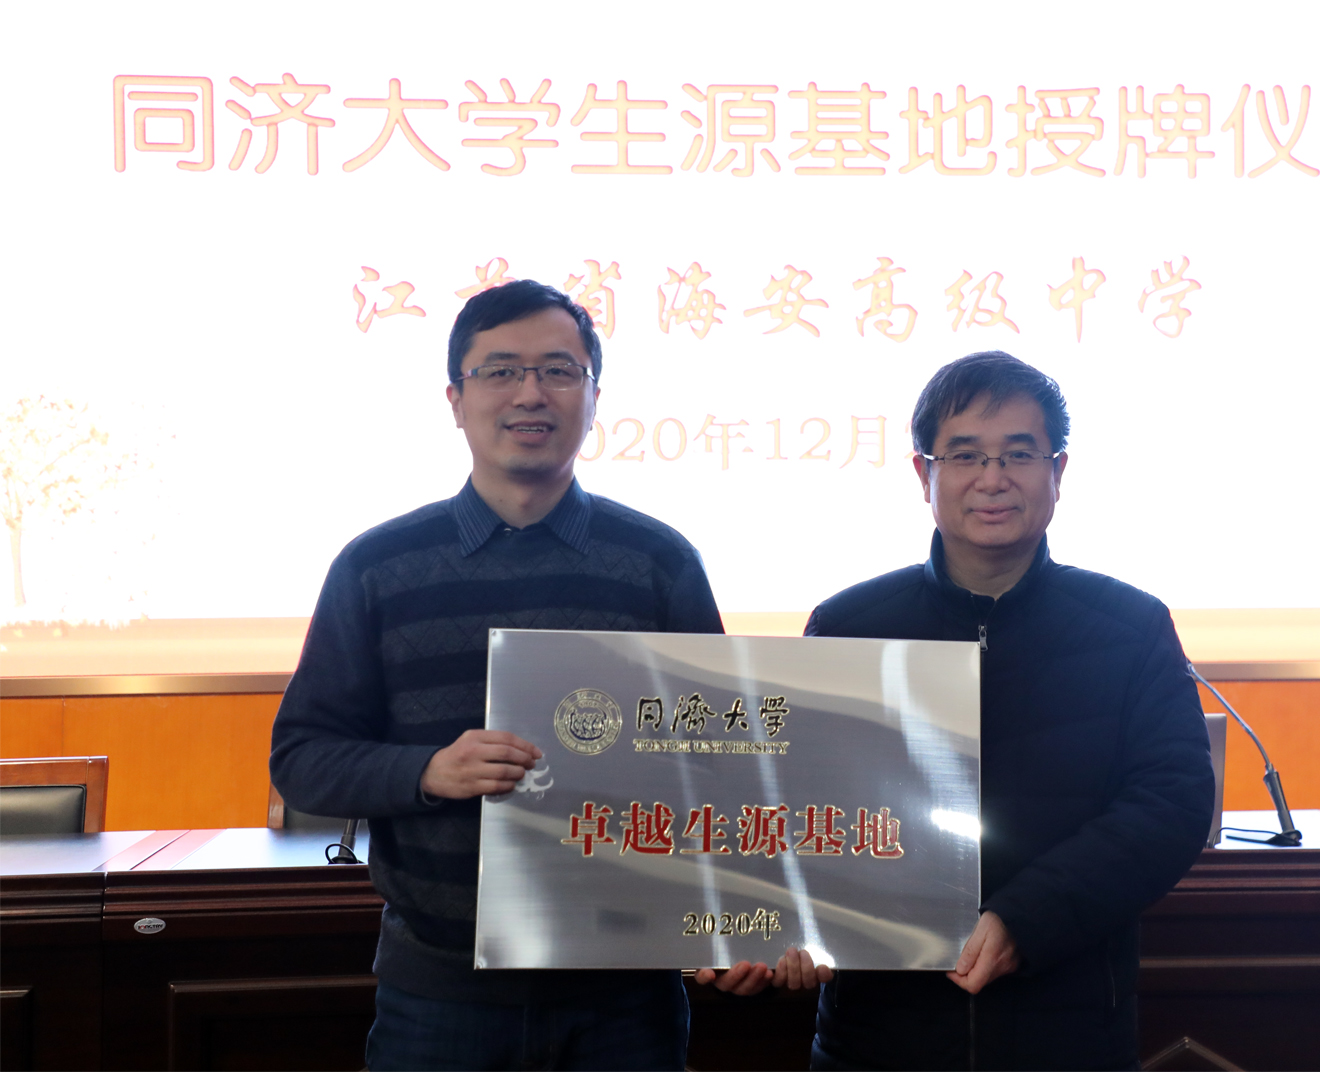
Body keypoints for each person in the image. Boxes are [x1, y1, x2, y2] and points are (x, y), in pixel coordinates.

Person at [269, 280, 766, 1071]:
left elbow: (721, 765)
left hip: (624, 997)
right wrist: (428, 771)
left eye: (559, 371)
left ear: (594, 399)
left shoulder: (658, 563)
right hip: (441, 995)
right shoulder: (377, 567)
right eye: (500, 371)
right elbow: (302, 759)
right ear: (455, 399)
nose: (530, 393)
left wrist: (738, 917)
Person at [783, 351, 1215, 1070]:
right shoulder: (850, 626)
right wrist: (773, 927)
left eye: (1019, 453)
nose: (992, 478)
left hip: (1067, 1031)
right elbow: (794, 808)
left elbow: (1173, 802)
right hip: (880, 1037)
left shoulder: (1130, 627)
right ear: (924, 474)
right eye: (964, 456)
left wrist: (1026, 919)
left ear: (1058, 471)